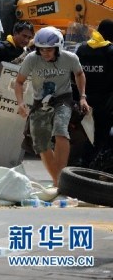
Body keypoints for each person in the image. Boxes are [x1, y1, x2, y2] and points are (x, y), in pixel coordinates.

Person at [14, 26, 90, 187]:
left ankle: (59, 178)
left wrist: (82, 97)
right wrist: (20, 103)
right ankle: (57, 180)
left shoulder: (70, 58)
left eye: (49, 50)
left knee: (60, 130)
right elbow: (19, 82)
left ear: (58, 48)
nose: (45, 53)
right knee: (41, 141)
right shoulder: (31, 59)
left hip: (63, 98)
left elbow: (79, 74)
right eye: (41, 50)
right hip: (40, 101)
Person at [75, 19, 113, 170]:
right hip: (105, 103)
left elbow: (75, 75)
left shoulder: (82, 49)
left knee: (84, 135)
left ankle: (82, 163)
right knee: (101, 137)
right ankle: (93, 167)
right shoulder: (110, 51)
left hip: (84, 101)